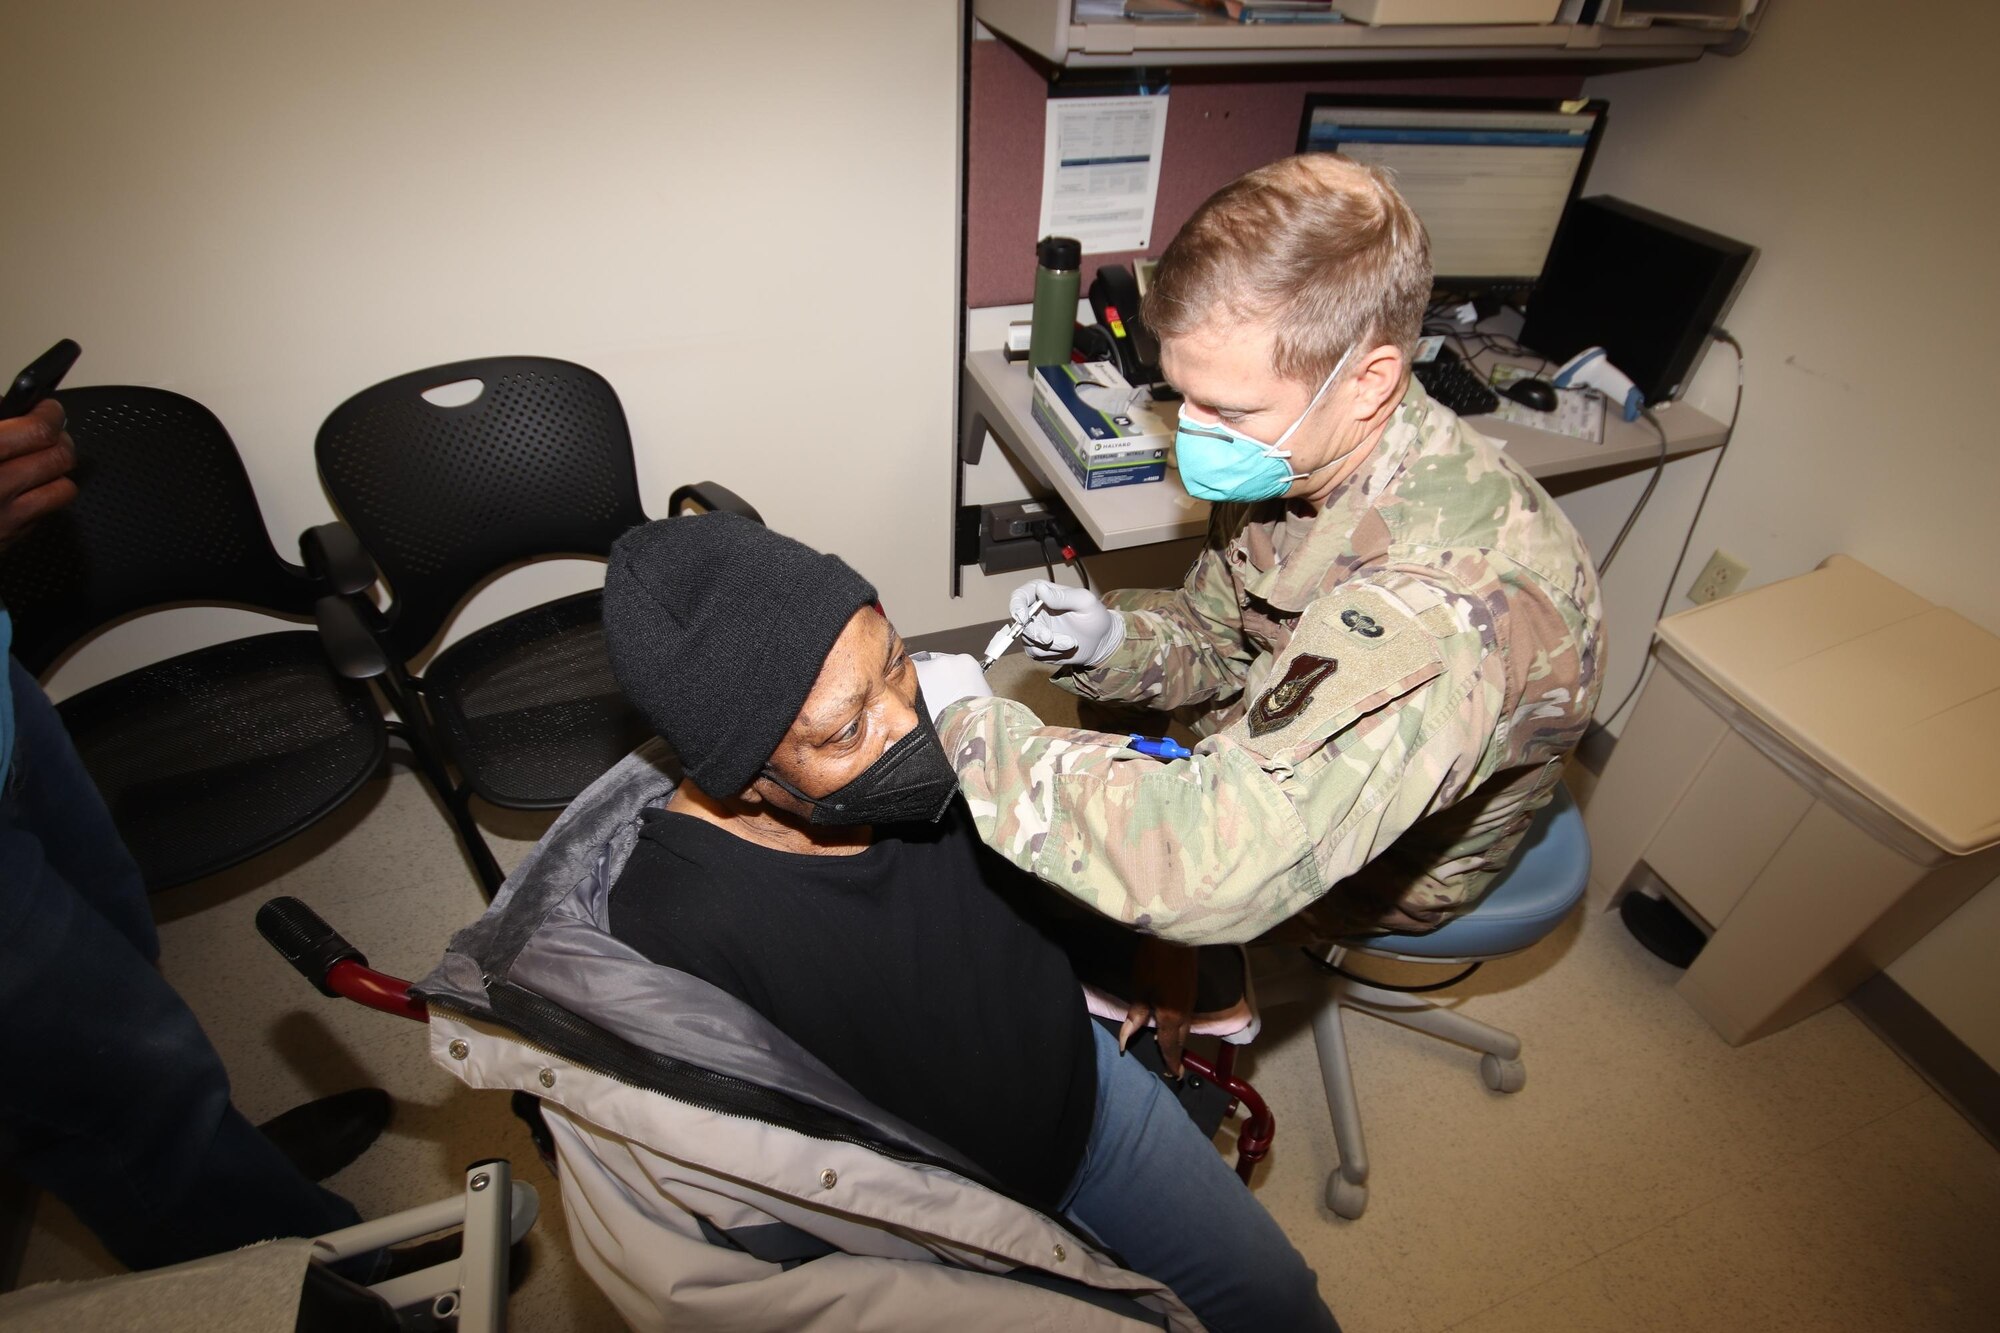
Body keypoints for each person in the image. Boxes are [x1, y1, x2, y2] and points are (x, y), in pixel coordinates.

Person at [599, 512, 1337, 1333]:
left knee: (1285, 1311)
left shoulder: (958, 740)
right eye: (847, 730)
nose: (911, 725)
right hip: (942, 1229)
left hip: (1091, 1104)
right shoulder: (672, 930)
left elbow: (1100, 843)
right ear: (741, 778)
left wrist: (1157, 939)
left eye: (897, 664)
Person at [916, 154, 1604, 959]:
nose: (1196, 433)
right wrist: (1108, 644)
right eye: (1183, 396)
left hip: (1392, 866)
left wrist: (972, 731)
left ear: (1369, 382)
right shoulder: (1293, 448)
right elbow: (1222, 642)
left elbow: (1211, 870)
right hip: (1285, 721)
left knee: (1041, 896)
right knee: (1109, 701)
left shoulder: (1446, 608)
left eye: (1229, 408)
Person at [0, 396, 388, 1271]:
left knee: (119, 962)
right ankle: (331, 1285)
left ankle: (221, 1158)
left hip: (6, 716)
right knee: (117, 1081)